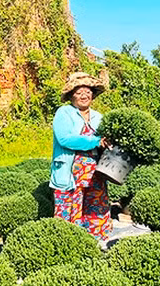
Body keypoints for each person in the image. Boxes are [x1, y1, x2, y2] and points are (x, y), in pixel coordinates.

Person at [50, 72, 112, 242]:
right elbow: (65, 139)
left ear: (93, 94)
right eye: (79, 92)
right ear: (71, 95)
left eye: (87, 92)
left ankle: (94, 242)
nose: (84, 96)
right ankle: (69, 244)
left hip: (95, 174)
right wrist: (95, 141)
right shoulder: (64, 113)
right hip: (71, 173)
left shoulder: (98, 116)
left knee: (95, 207)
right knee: (70, 209)